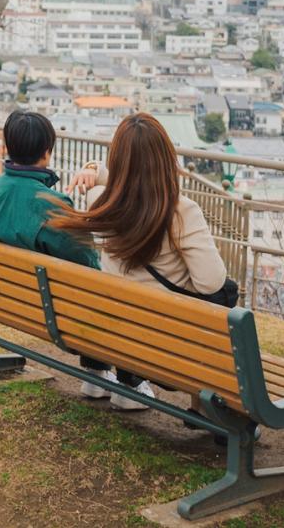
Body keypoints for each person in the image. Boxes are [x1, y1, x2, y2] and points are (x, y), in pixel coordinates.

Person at [58, 113, 239, 407]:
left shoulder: (99, 202)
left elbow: (116, 183)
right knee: (226, 292)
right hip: (167, 345)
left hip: (118, 331)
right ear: (166, 158)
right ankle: (203, 404)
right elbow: (211, 283)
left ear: (116, 161)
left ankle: (119, 378)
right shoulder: (181, 211)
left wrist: (92, 169)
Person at [0, 111, 138, 404]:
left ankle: (98, 377)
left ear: (9, 147)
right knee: (102, 293)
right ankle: (129, 386)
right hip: (49, 308)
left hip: (3, 297)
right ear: (47, 153)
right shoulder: (53, 205)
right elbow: (87, 266)